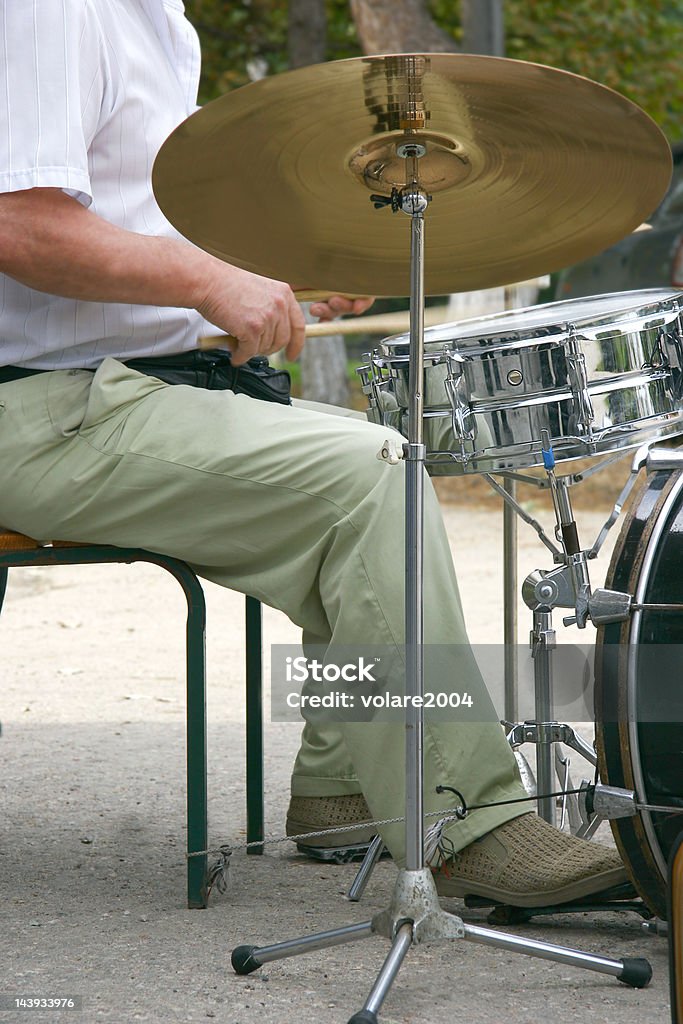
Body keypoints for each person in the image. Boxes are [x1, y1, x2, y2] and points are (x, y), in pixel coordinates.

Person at [0, 0, 627, 908]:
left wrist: (253, 282)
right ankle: (468, 824)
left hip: (119, 389)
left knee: (383, 460)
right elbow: (21, 224)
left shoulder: (154, 16)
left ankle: (338, 786)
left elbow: (111, 221)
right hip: (46, 407)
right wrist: (210, 282)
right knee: (370, 479)